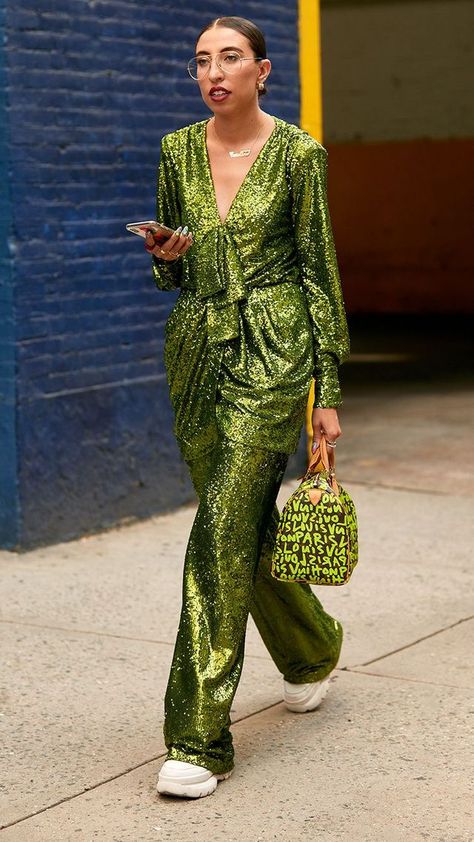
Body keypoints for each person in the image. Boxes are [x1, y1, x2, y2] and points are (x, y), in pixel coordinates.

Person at [146, 16, 350, 799]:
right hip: (198, 353)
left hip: (274, 350)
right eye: (201, 60)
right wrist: (167, 255)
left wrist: (325, 391)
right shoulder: (175, 150)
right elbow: (171, 275)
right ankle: (312, 649)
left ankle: (197, 739)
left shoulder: (299, 155)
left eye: (230, 57)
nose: (213, 71)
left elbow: (317, 268)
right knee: (241, 527)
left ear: (263, 71)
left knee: (217, 534)